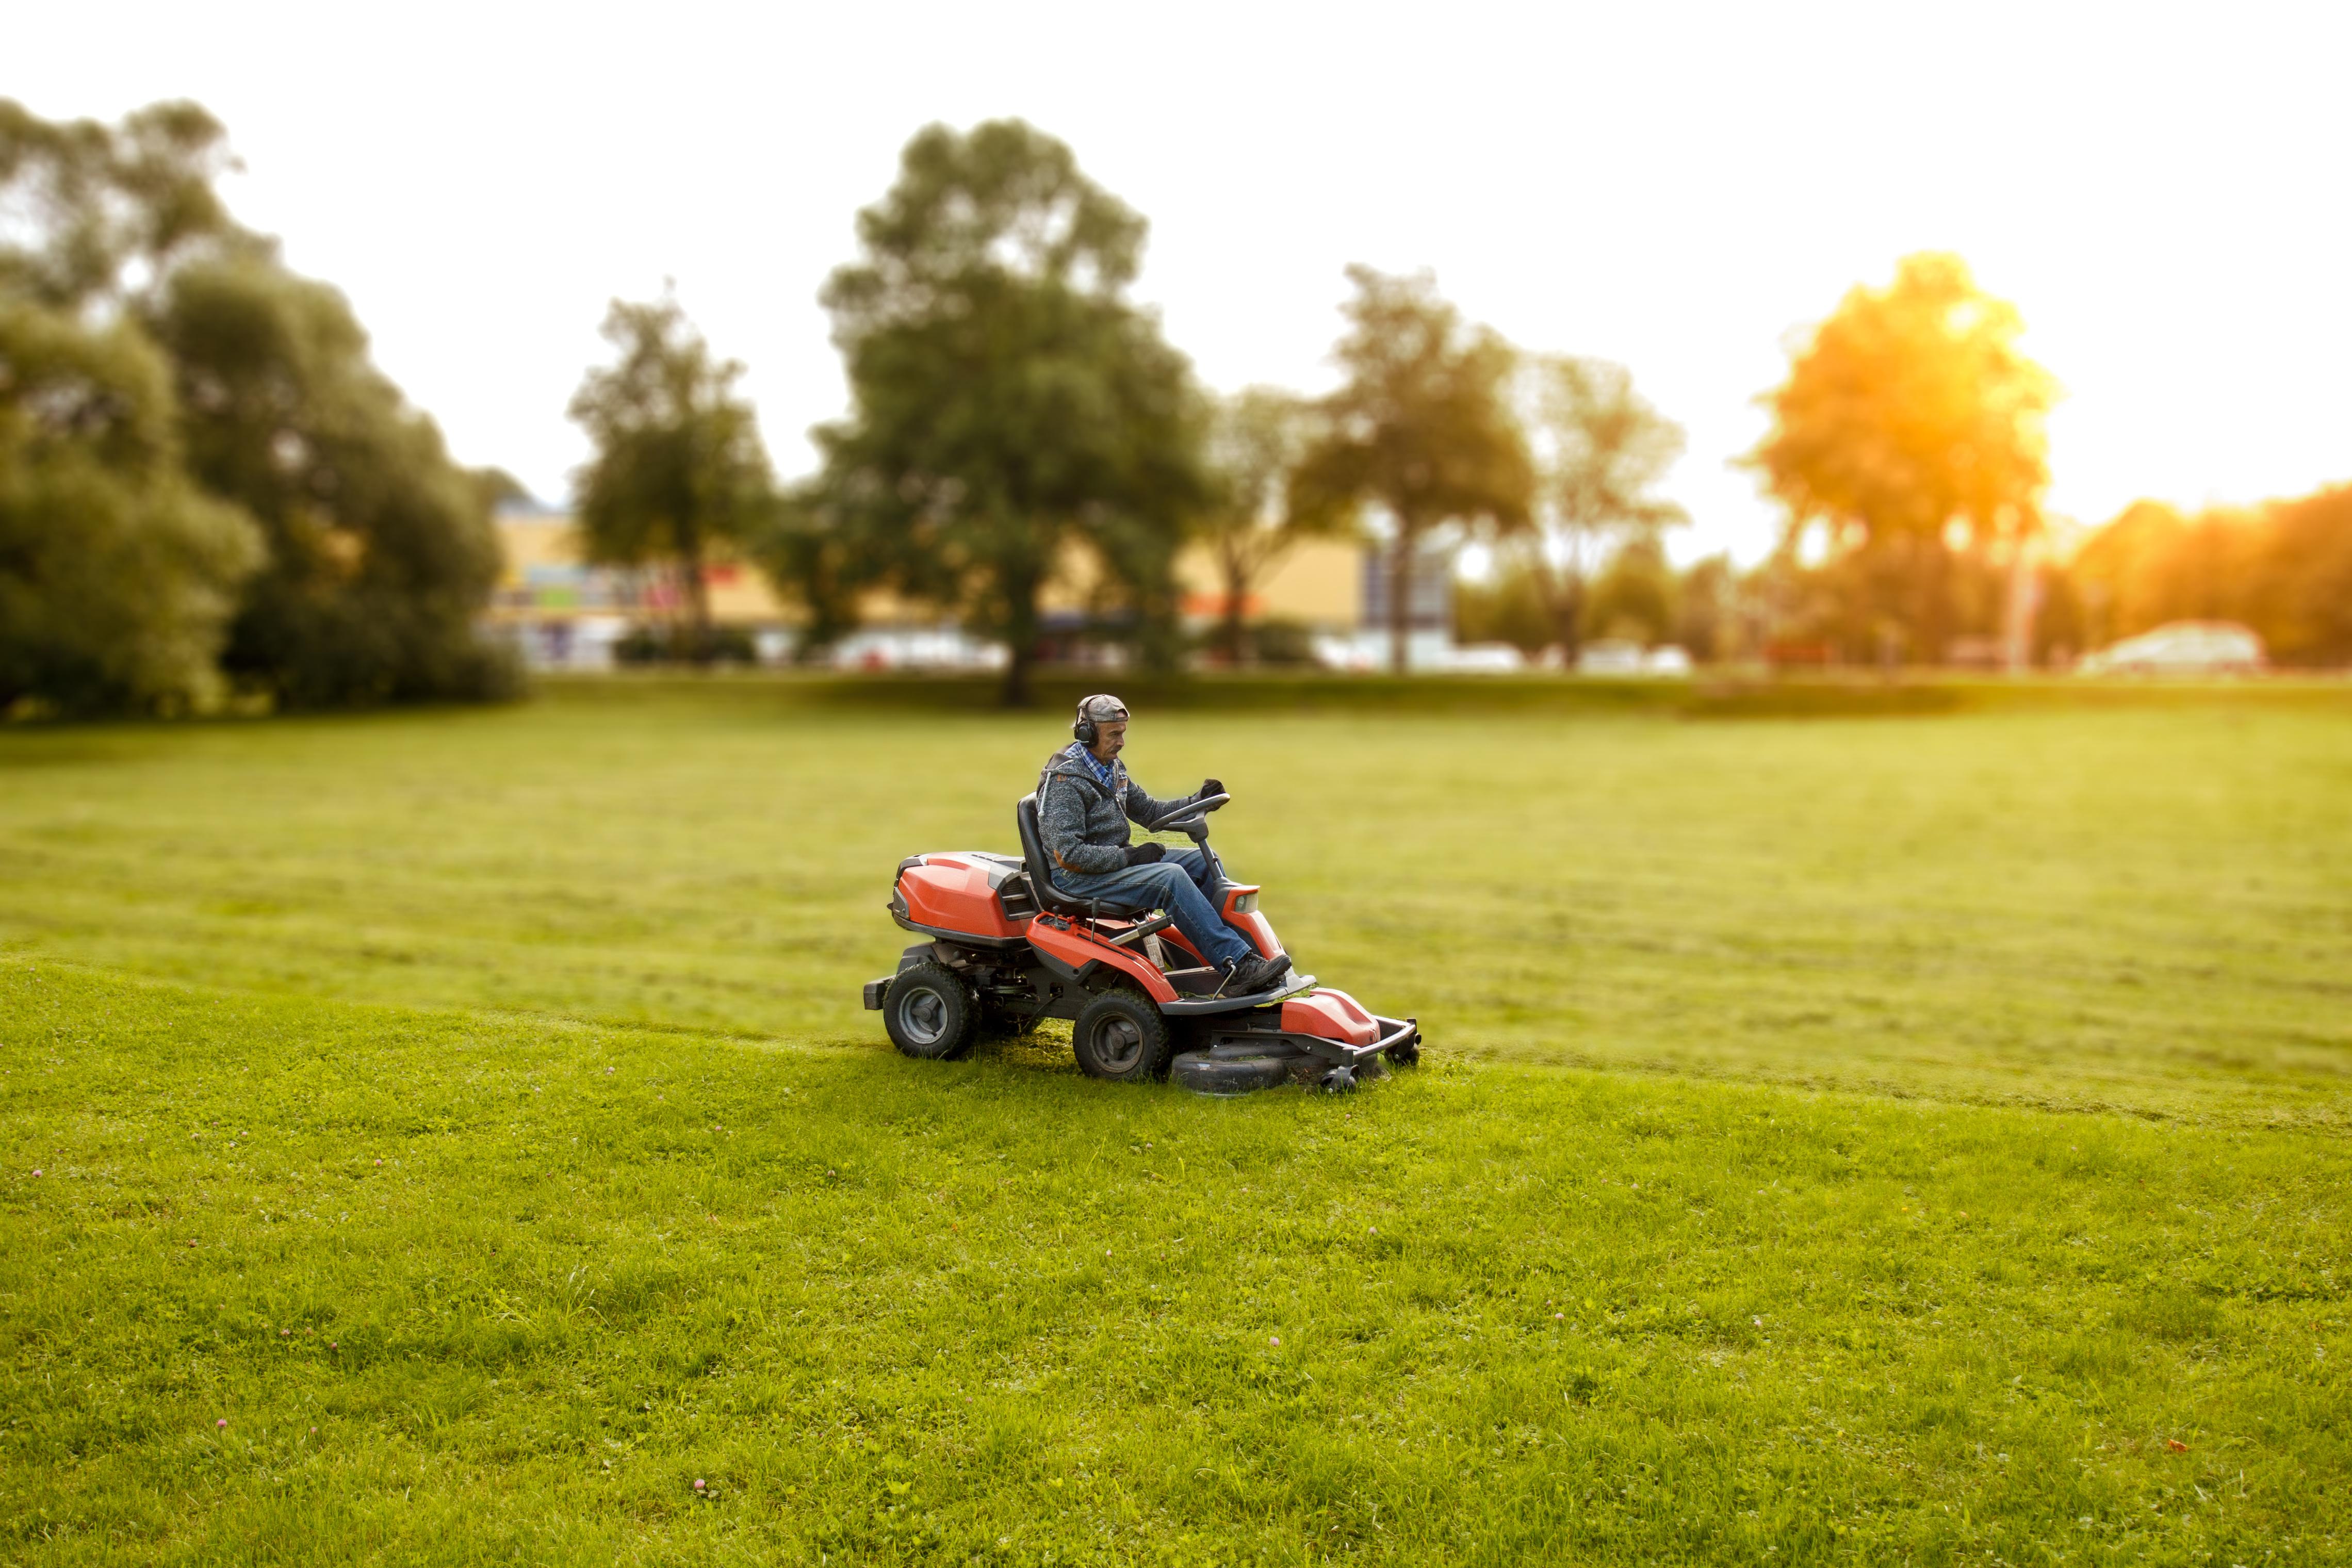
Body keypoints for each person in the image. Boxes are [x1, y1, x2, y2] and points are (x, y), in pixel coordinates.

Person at [1036, 693, 1294, 994]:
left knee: (1202, 863)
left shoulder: (1110, 768)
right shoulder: (1065, 782)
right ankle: (1236, 965)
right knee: (1170, 878)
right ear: (1087, 733)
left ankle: (1245, 958)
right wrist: (1130, 858)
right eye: (1114, 734)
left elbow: (1150, 811)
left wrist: (1198, 801)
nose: (1122, 742)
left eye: (1123, 734)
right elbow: (1068, 856)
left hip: (1109, 865)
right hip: (1078, 878)